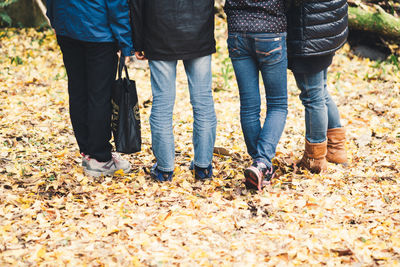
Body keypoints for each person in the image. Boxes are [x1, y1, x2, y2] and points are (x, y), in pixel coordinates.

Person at [130, 0, 217, 181]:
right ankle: (203, 167)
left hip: (159, 33)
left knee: (162, 101)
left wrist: (138, 41)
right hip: (198, 32)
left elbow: (137, 4)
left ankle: (164, 169)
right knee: (203, 101)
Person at [46, 0, 134, 177]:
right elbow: (116, 4)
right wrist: (126, 43)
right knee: (99, 95)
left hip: (67, 27)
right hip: (98, 31)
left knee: (78, 91)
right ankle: (100, 157)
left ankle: (88, 152)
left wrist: (54, 19)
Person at [224, 0, 288, 191]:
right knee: (277, 105)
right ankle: (261, 163)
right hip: (271, 31)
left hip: (238, 32)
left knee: (249, 105)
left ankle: (258, 165)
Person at [286, 0, 349, 173]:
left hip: (309, 30)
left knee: (312, 96)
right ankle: (336, 149)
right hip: (327, 25)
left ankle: (314, 158)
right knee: (320, 90)